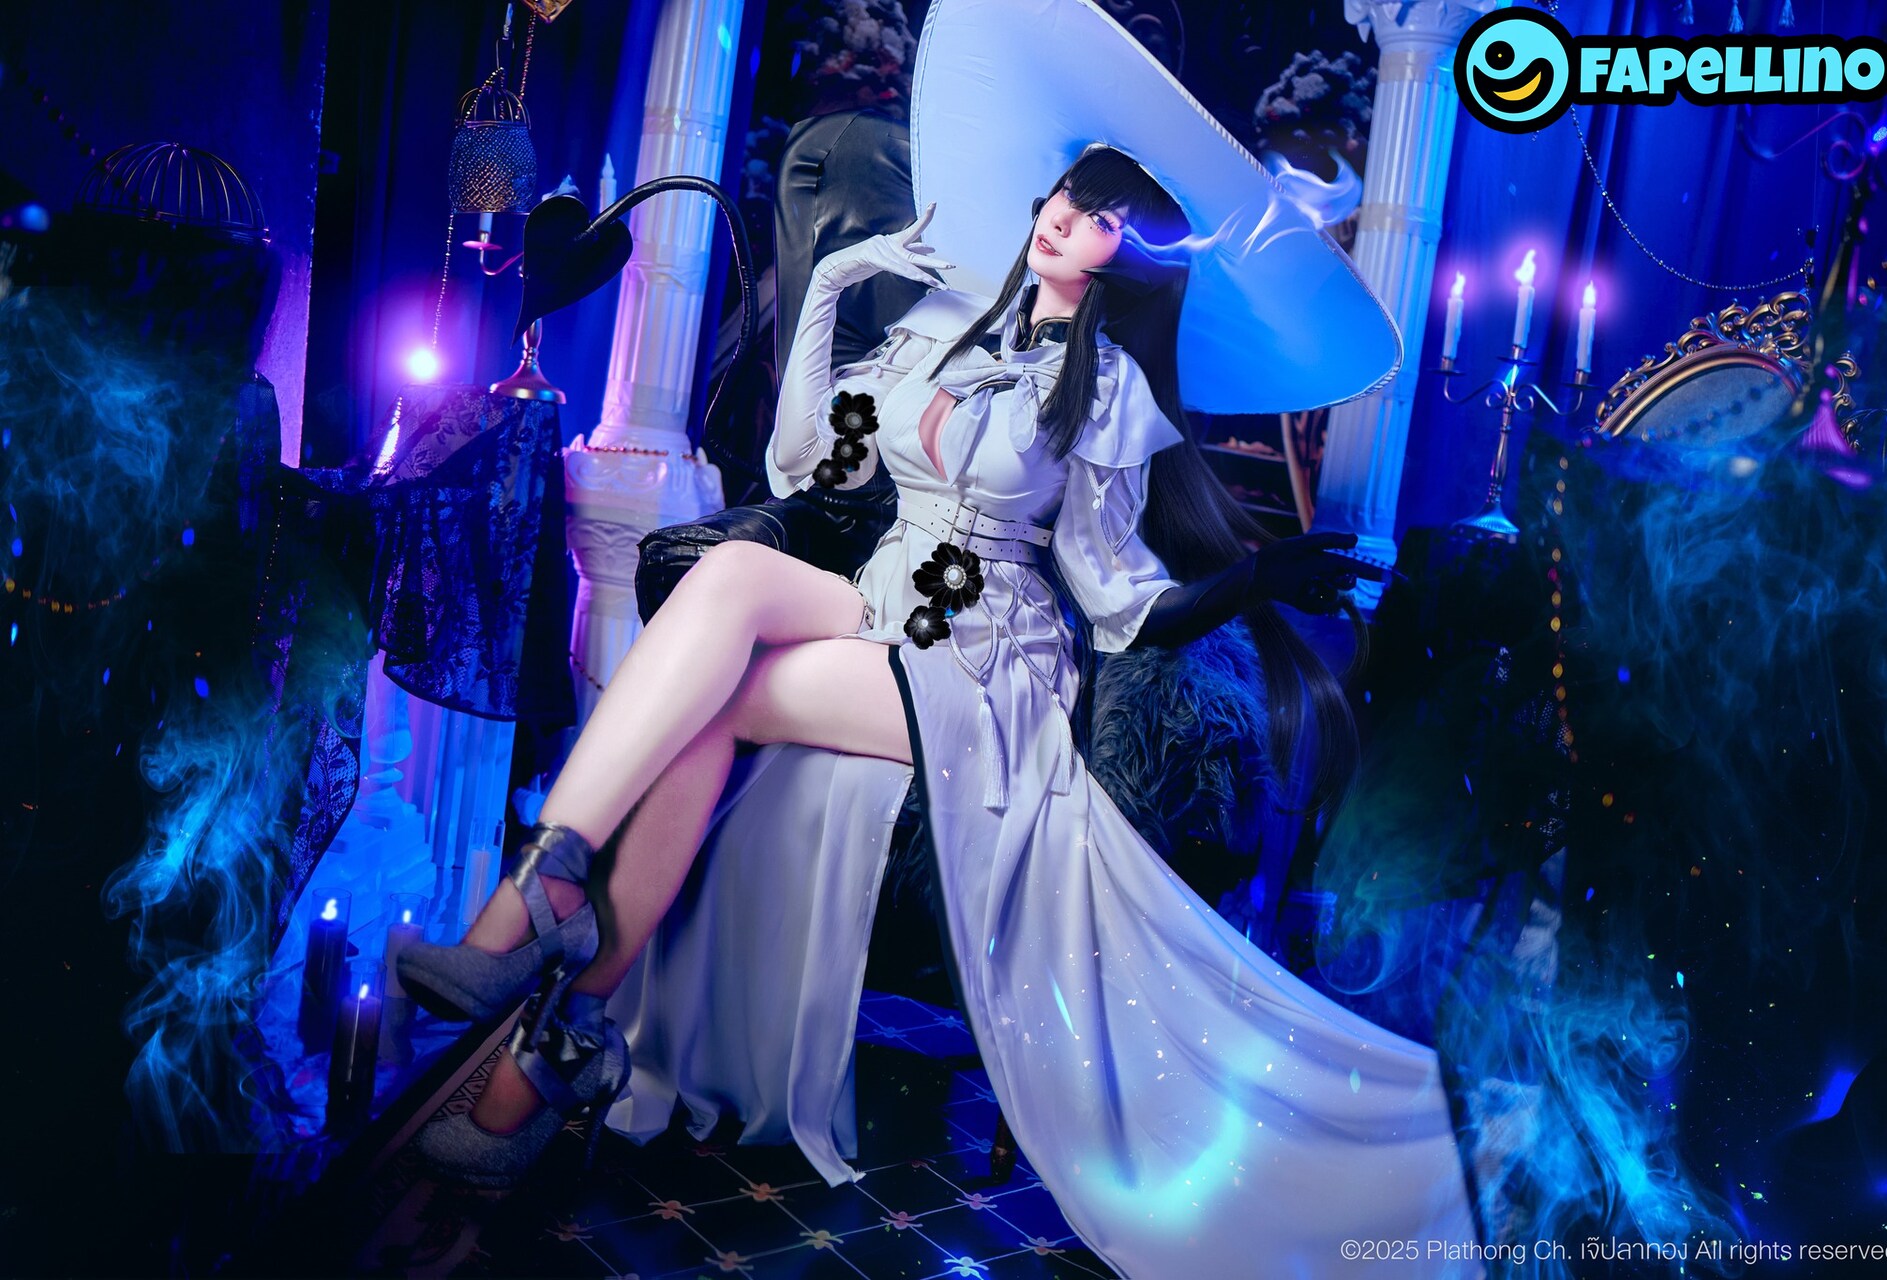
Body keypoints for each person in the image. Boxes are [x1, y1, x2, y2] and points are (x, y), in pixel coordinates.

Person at [400, 3, 1486, 1273]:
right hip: (877, 602)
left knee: (715, 699)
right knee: (735, 580)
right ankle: (547, 928)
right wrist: (841, 283)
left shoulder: (1110, 393)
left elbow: (1118, 596)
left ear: (1132, 257)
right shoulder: (947, 324)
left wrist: (1257, 576)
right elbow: (804, 462)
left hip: (982, 660)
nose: (1062, 219)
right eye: (1066, 195)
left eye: (1098, 217)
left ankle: (530, 986)